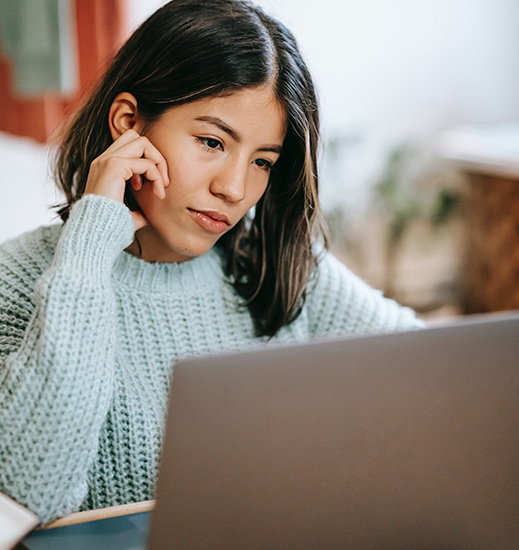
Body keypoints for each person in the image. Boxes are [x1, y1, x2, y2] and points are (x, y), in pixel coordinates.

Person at [0, 0, 422, 525]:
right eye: (211, 141)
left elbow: (439, 380)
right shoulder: (16, 280)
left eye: (263, 161)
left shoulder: (274, 266)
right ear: (129, 124)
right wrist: (88, 249)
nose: (234, 188)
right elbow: (26, 495)